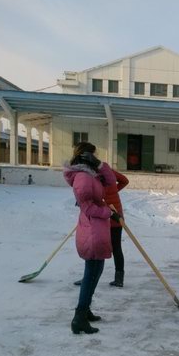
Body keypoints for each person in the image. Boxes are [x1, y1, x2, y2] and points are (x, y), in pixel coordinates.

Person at [63, 142, 118, 334]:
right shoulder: (83, 178)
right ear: (85, 155)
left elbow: (111, 181)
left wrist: (100, 164)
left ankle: (85, 310)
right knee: (91, 275)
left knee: (95, 272)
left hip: (96, 229)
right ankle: (79, 317)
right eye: (93, 155)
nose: (96, 157)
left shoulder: (92, 174)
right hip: (92, 231)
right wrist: (108, 212)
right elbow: (87, 207)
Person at [75, 169, 129, 287]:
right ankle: (119, 278)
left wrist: (83, 201)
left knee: (93, 246)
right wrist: (114, 191)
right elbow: (125, 181)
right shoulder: (109, 172)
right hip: (116, 214)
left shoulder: (92, 176)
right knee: (116, 247)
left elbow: (90, 193)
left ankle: (88, 277)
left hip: (103, 217)